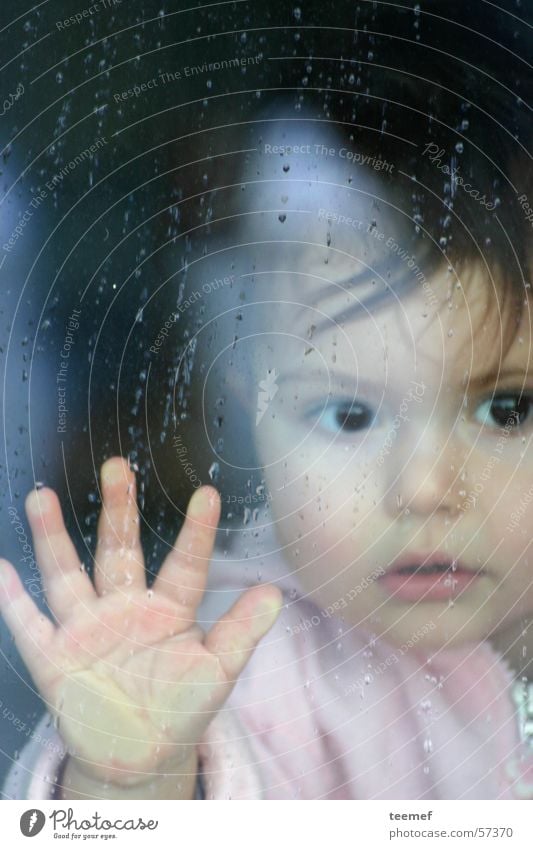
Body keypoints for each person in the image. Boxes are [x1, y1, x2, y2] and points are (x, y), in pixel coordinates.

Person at [2, 6, 533, 799]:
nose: (425, 487)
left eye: (505, 410)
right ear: (258, 412)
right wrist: (137, 776)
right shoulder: (249, 664)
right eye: (349, 414)